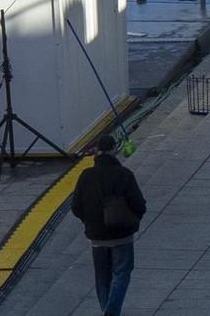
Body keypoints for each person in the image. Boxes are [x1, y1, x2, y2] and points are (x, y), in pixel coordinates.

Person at [71, 132, 146, 316]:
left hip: (97, 236)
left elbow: (76, 207)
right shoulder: (125, 174)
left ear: (97, 152)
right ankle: (111, 311)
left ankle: (106, 309)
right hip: (122, 234)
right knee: (122, 272)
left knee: (102, 279)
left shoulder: (86, 176)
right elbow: (139, 205)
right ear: (115, 150)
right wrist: (130, 221)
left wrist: (89, 221)